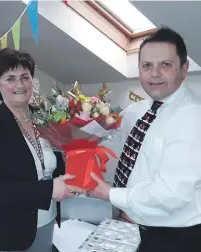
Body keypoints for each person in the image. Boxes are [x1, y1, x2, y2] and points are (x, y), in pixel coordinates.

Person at [89, 27, 201, 252]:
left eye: (165, 65)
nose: (155, 73)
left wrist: (109, 193)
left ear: (184, 68)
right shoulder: (140, 109)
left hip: (175, 236)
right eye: (147, 65)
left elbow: (171, 194)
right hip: (141, 225)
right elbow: (105, 131)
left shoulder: (191, 117)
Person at [0, 48, 84, 252]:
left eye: (25, 77)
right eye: (10, 78)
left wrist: (77, 164)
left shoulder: (47, 120)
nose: (20, 84)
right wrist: (49, 189)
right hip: (3, 233)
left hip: (46, 223)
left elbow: (50, 165)